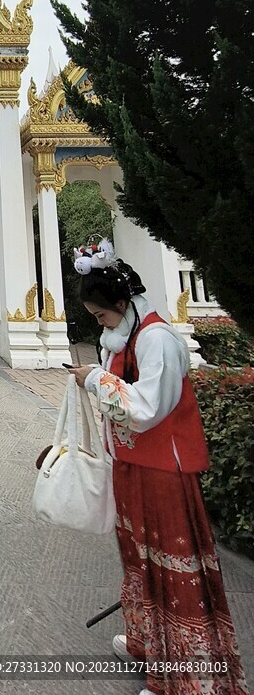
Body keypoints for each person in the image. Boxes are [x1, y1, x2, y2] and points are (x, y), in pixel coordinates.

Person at [68, 239, 249, 695]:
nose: (99, 323)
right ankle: (148, 644)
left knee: (172, 567)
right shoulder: (123, 337)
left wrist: (94, 378)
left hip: (163, 473)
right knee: (139, 561)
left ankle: (186, 677)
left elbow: (147, 407)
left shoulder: (158, 340)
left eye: (101, 315)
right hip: (131, 466)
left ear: (124, 304)